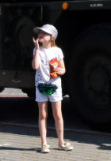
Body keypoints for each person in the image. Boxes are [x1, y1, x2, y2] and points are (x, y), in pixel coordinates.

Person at [31, 24, 71, 153]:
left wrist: (61, 70)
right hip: (41, 84)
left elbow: (63, 69)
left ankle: (61, 142)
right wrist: (37, 49)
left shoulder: (57, 51)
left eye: (44, 33)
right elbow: (35, 66)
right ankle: (44, 143)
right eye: (40, 33)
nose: (40, 35)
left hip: (54, 85)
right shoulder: (36, 50)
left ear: (52, 37)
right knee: (42, 114)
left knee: (57, 114)